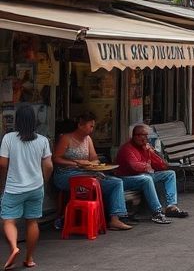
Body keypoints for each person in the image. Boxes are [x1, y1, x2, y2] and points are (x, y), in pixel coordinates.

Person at [52, 112, 132, 230]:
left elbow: (94, 158)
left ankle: (115, 218)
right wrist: (76, 163)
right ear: (80, 125)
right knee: (99, 180)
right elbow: (56, 158)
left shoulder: (88, 139)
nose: (92, 129)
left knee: (116, 182)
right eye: (91, 126)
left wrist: (93, 164)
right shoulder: (66, 138)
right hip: (65, 175)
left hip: (85, 173)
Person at [0, 104, 53, 270]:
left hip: (13, 188)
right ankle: (29, 259)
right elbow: (49, 166)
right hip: (35, 188)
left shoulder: (8, 138)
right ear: (34, 121)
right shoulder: (43, 141)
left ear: (17, 121)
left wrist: (2, 184)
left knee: (8, 220)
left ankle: (14, 247)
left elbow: (2, 164)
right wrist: (43, 181)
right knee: (32, 222)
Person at [115, 125, 189, 224]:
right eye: (144, 136)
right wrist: (146, 166)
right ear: (136, 136)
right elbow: (135, 166)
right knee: (147, 179)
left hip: (143, 176)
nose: (146, 138)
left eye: (147, 136)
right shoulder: (127, 149)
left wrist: (151, 152)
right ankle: (157, 212)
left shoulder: (145, 148)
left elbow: (162, 166)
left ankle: (171, 206)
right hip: (127, 179)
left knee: (170, 174)